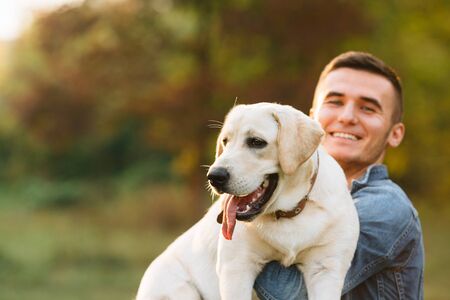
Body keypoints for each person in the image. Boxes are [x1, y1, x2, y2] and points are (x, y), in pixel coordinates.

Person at [253, 51, 424, 299]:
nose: (346, 117)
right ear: (311, 118)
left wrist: (235, 236)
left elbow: (297, 293)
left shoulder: (386, 207)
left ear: (395, 134)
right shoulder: (297, 202)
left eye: (368, 108)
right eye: (334, 102)